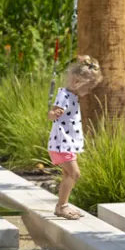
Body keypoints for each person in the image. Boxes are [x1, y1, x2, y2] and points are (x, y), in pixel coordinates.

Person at [47, 55, 102, 220]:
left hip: (67, 144)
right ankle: (62, 206)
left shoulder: (72, 96)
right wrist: (53, 114)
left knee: (68, 175)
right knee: (74, 174)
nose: (89, 91)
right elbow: (51, 113)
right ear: (77, 81)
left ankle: (62, 206)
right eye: (89, 87)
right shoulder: (64, 95)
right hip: (61, 143)